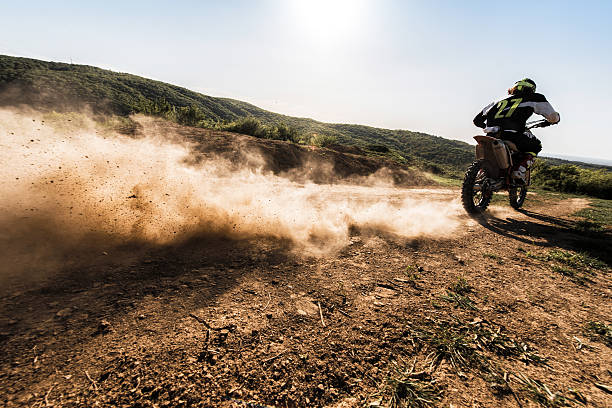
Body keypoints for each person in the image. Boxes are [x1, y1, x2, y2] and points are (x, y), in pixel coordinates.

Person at [473, 78, 560, 182]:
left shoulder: (498, 101)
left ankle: (481, 175)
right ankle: (519, 170)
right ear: (531, 89)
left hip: (490, 135)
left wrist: (487, 127)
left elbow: (477, 120)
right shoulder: (535, 97)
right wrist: (553, 120)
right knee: (536, 146)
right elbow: (553, 117)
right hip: (513, 135)